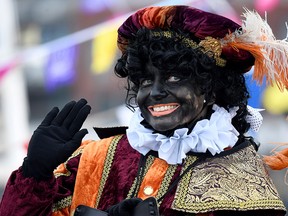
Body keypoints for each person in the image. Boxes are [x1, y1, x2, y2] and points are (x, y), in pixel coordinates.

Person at [0, 5, 288, 216]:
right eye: (147, 80)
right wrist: (35, 174)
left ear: (212, 88)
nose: (155, 92)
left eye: (175, 77)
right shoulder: (92, 159)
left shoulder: (244, 181)